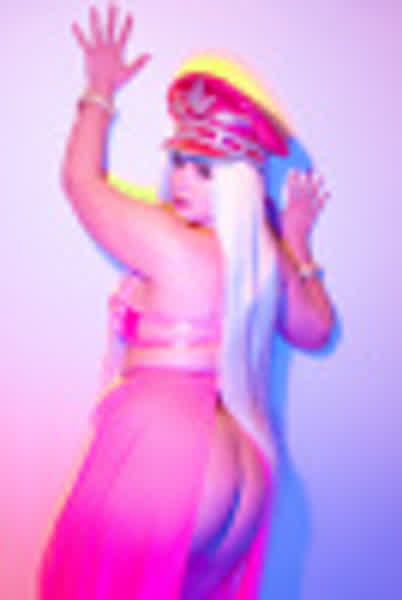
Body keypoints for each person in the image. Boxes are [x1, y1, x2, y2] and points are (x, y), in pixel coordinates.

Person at [37, 4, 335, 599]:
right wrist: (298, 245)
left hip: (166, 448)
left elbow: (80, 183)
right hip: (245, 465)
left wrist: (99, 90)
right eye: (178, 160)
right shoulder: (263, 258)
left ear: (234, 183)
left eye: (203, 170)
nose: (179, 180)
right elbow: (315, 329)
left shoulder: (173, 243)